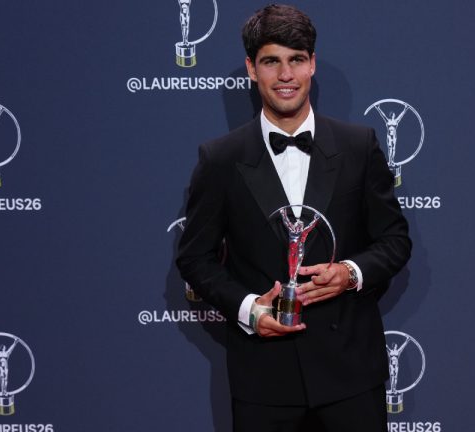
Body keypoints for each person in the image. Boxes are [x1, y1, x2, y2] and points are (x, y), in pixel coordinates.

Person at [176, 4, 411, 431]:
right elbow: (195, 259)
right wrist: (249, 310)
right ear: (252, 69)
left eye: (296, 60)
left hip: (351, 374)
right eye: (271, 61)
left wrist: (350, 272)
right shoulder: (221, 159)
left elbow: (395, 240)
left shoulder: (360, 146)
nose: (285, 75)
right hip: (264, 381)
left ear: (312, 64)